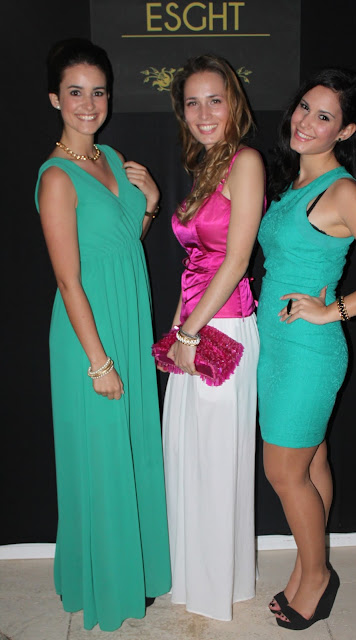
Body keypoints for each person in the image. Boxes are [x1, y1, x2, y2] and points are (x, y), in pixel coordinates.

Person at [256, 67, 356, 631]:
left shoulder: (342, 191)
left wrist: (332, 309)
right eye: (304, 107)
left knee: (283, 471)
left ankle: (318, 577)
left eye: (324, 116)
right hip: (278, 346)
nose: (305, 121)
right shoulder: (293, 183)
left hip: (309, 352)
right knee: (311, 460)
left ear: (345, 131)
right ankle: (307, 565)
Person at [35, 38, 171, 631]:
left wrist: (151, 204)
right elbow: (69, 280)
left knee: (130, 448)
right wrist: (98, 362)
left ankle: (133, 571)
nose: (88, 104)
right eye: (75, 92)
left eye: (98, 92)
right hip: (86, 335)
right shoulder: (56, 178)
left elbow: (120, 246)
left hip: (127, 317)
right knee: (100, 458)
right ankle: (104, 583)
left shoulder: (113, 158)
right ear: (54, 99)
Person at [161, 54, 265, 621]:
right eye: (192, 103)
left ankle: (215, 583)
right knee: (190, 455)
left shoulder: (244, 161)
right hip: (197, 325)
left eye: (215, 100)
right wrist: (178, 328)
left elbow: (237, 259)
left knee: (216, 460)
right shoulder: (205, 164)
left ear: (234, 105)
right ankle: (197, 575)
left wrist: (191, 330)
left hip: (222, 327)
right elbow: (196, 260)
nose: (203, 114)